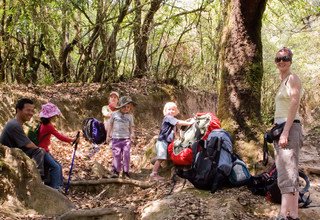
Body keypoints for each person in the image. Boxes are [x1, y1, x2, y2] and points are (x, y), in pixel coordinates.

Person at [0, 98, 62, 190]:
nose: (31, 113)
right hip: (10, 156)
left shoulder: (16, 124)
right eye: (28, 110)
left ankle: (51, 185)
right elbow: (28, 145)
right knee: (42, 154)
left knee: (53, 164)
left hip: (14, 153)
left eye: (32, 111)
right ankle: (38, 178)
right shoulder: (14, 125)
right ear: (18, 110)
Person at [273, 47, 303, 220]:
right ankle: (292, 215)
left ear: (291, 60)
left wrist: (285, 131)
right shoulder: (282, 81)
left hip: (289, 128)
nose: (281, 61)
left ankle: (284, 214)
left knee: (287, 171)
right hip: (282, 128)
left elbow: (294, 103)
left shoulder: (293, 78)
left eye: (285, 58)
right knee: (287, 169)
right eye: (278, 59)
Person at [37, 102, 79, 190]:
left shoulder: (42, 124)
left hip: (42, 150)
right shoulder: (48, 126)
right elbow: (59, 136)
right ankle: (55, 189)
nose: (55, 116)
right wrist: (72, 140)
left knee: (58, 165)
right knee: (55, 167)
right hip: (42, 151)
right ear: (50, 116)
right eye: (54, 115)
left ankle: (59, 186)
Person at [150, 102, 195, 181]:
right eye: (169, 109)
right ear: (165, 111)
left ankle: (155, 160)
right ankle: (154, 174)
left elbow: (175, 132)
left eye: (173, 109)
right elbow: (178, 122)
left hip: (167, 142)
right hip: (162, 141)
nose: (171, 111)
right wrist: (189, 123)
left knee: (166, 156)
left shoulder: (172, 120)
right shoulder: (168, 118)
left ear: (176, 111)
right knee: (161, 157)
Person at [107, 96, 135, 179]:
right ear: (120, 106)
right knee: (117, 154)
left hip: (126, 139)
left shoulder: (130, 116)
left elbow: (131, 126)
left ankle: (126, 172)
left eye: (128, 107)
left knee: (126, 154)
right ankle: (116, 171)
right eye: (124, 107)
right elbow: (110, 125)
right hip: (116, 138)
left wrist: (132, 134)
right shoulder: (114, 114)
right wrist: (108, 135)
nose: (126, 108)